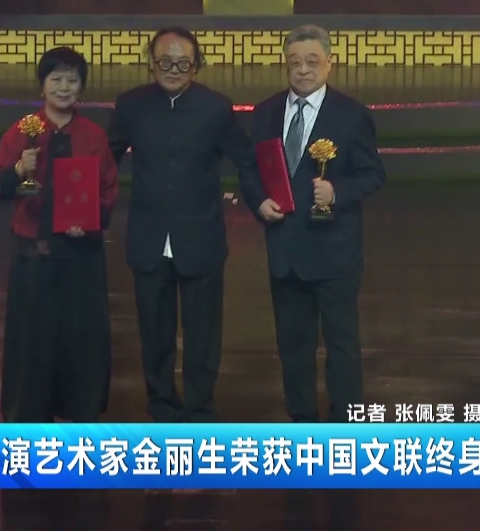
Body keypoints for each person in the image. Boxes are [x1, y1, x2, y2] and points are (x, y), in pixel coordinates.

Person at [109, 26, 266, 423]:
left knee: (203, 336)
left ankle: (199, 411)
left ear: (196, 66)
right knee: (154, 335)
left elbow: (247, 161)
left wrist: (263, 199)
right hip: (148, 238)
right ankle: (161, 407)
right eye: (165, 62)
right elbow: (103, 163)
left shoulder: (216, 108)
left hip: (201, 237)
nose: (173, 70)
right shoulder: (130, 105)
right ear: (151, 63)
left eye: (183, 63)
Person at [250, 25, 386, 423]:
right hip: (285, 250)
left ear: (329, 63)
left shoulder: (351, 115)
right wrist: (258, 201)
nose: (303, 70)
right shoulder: (266, 112)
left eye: (312, 62)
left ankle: (344, 425)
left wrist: (337, 192)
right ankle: (302, 422)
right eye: (295, 62)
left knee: (342, 344)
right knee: (293, 346)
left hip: (334, 252)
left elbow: (373, 174)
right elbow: (251, 171)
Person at [0, 47, 119, 423]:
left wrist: (90, 222)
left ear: (81, 87)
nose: (63, 87)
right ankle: (28, 421)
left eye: (72, 80)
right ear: (42, 86)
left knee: (82, 343)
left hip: (81, 260)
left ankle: (81, 415)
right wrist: (18, 168)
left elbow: (108, 188)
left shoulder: (93, 136)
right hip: (34, 259)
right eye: (55, 79)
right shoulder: (23, 131)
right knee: (32, 345)